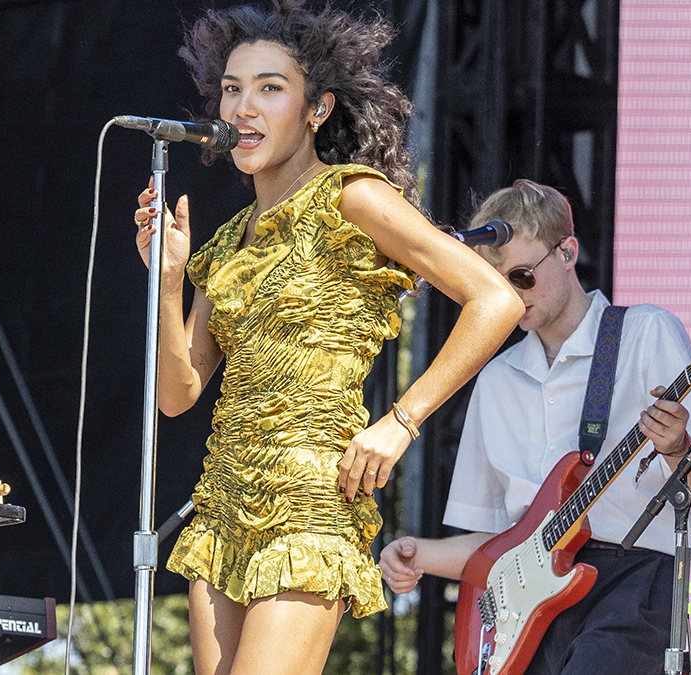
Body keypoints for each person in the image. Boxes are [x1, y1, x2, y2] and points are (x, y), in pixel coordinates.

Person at [129, 2, 523, 674]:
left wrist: (401, 421)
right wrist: (167, 283)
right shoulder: (226, 243)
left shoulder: (352, 197)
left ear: (318, 109)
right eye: (232, 88)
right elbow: (177, 394)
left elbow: (496, 298)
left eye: (269, 88)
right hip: (222, 506)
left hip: (311, 503)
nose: (243, 107)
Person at [378, 180, 691, 675]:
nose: (511, 295)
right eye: (496, 281)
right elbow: (500, 546)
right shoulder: (495, 379)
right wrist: (418, 555)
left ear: (567, 252)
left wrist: (678, 448)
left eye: (522, 276)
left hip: (630, 582)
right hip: (527, 614)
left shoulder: (645, 333)